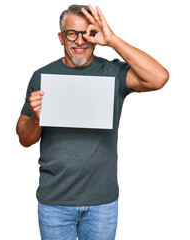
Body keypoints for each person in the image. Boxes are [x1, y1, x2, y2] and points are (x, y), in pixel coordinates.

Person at [16, 4, 169, 240]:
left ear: (96, 36)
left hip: (102, 204)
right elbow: (25, 139)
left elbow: (159, 78)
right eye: (71, 34)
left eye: (87, 33)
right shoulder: (42, 76)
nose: (80, 41)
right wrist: (37, 118)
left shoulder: (113, 72)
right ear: (61, 37)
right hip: (55, 203)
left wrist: (112, 39)